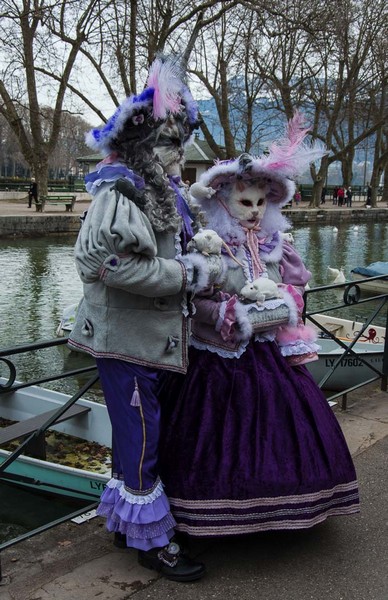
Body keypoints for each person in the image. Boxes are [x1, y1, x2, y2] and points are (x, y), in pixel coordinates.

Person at [158, 113, 360, 539]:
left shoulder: (276, 246)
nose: (253, 211)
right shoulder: (207, 247)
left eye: (260, 203)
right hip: (217, 358)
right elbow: (194, 301)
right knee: (213, 436)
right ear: (223, 200)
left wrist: (283, 301)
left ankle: (285, 511)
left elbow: (296, 289)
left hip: (269, 354)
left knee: (284, 429)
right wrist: (230, 311)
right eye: (244, 202)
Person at [67, 56, 225, 582]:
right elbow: (103, 264)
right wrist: (184, 274)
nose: (178, 154)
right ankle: (152, 543)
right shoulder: (121, 193)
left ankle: (126, 524)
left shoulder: (164, 192)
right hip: (127, 341)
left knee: (141, 436)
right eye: (169, 144)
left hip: (154, 342)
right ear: (145, 146)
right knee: (140, 438)